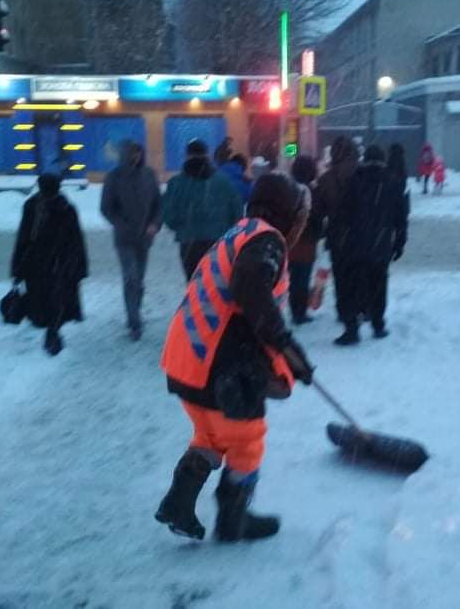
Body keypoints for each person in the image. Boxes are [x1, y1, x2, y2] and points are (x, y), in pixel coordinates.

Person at [155, 172, 315, 543]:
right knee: (247, 439)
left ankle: (178, 503)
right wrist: (285, 342)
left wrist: (285, 357)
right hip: (220, 365)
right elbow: (249, 288)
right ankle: (234, 518)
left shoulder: (239, 232)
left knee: (211, 435)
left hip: (185, 359)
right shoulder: (267, 241)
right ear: (286, 213)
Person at [333, 145, 408, 345]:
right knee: (379, 284)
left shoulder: (355, 180)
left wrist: (341, 238)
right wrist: (399, 242)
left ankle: (352, 328)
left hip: (356, 243)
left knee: (353, 285)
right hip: (381, 244)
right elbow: (401, 217)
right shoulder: (393, 182)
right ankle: (378, 324)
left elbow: (342, 213)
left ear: (365, 159)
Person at [11, 173, 88, 356]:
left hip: (44, 264)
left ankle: (52, 334)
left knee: (50, 299)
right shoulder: (62, 207)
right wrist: (79, 265)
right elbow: (76, 240)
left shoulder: (36, 206)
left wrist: (18, 267)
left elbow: (22, 238)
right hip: (54, 263)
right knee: (53, 299)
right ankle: (52, 331)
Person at [100, 140, 162, 341]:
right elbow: (106, 208)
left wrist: (155, 224)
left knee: (139, 280)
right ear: (125, 155)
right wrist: (121, 224)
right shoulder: (114, 178)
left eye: (138, 153)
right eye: (132, 153)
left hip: (145, 238)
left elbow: (159, 205)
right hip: (124, 238)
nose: (135, 156)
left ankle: (135, 311)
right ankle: (134, 321)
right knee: (131, 278)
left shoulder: (149, 175)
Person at [163, 138, 244, 279]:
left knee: (194, 282)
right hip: (217, 241)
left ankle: (197, 300)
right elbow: (236, 211)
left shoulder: (176, 183)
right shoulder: (223, 181)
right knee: (215, 283)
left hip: (189, 241)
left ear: (187, 156)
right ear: (207, 155)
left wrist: (181, 227)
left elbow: (168, 214)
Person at [315, 136, 359, 324]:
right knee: (357, 274)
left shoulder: (326, 179)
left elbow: (318, 209)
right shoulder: (361, 174)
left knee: (341, 275)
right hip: (359, 233)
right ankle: (358, 308)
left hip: (336, 234)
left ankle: (343, 310)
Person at [288, 155, 323, 325]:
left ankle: (295, 309)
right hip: (307, 240)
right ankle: (299, 312)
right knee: (302, 277)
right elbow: (316, 216)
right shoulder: (312, 192)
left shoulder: (288, 189)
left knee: (294, 276)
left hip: (290, 239)